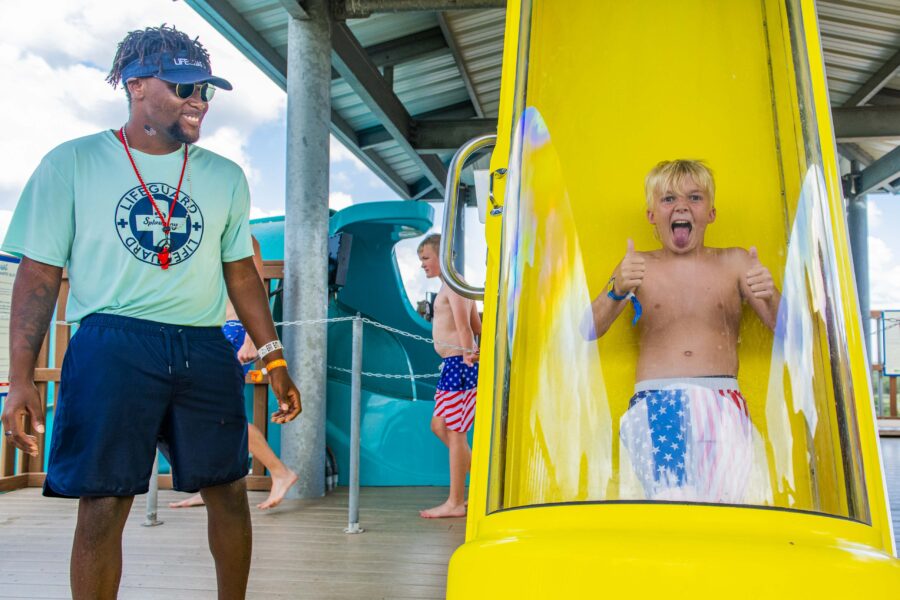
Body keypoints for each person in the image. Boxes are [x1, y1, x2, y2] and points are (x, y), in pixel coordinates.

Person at [0, 26, 301, 600]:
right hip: (112, 342)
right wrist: (21, 378)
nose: (199, 102)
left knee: (229, 488)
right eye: (184, 87)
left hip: (203, 344)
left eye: (206, 90)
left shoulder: (224, 176)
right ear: (135, 85)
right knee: (105, 501)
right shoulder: (72, 163)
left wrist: (274, 355)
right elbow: (37, 277)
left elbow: (241, 273)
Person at [583, 159, 779, 503]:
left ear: (712, 213)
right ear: (651, 216)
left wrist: (770, 292)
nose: (682, 206)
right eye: (668, 199)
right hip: (657, 401)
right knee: (671, 501)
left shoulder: (736, 261)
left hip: (723, 399)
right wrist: (616, 288)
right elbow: (587, 329)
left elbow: (789, 330)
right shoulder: (637, 265)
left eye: (694, 197)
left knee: (728, 504)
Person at [170, 236, 299, 511]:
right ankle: (206, 485)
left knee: (220, 414)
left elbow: (255, 290)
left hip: (232, 329)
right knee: (199, 413)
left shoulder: (245, 236)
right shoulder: (202, 230)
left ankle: (279, 471)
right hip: (209, 329)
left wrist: (252, 339)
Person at [417, 234, 481, 518]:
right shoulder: (454, 287)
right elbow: (477, 323)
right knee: (439, 426)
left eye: (426, 258)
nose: (422, 265)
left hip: (459, 365)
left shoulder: (453, 288)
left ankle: (456, 502)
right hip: (453, 365)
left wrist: (468, 354)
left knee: (455, 432)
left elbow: (466, 328)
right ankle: (481, 480)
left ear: (443, 256)